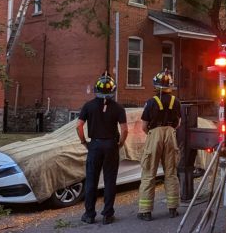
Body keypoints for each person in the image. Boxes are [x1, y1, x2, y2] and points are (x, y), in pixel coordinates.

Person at [76, 72, 128, 225]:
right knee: (110, 180)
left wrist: (84, 142)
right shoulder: (118, 108)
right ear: (113, 90)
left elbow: (78, 125)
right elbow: (124, 130)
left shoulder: (88, 106)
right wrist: (121, 143)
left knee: (91, 180)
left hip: (95, 145)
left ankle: (89, 214)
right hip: (111, 145)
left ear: (96, 89)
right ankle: (107, 214)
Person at [137, 69, 181, 221]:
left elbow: (144, 126)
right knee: (171, 172)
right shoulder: (176, 101)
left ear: (156, 85)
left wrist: (154, 134)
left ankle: (145, 211)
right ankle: (173, 208)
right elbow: (178, 123)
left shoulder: (150, 102)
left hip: (154, 133)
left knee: (149, 173)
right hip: (170, 133)